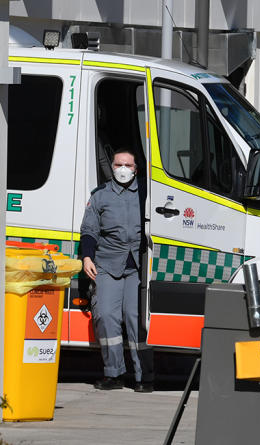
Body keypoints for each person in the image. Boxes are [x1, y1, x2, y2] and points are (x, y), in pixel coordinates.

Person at [80, 148, 152, 392]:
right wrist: (87, 257)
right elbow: (89, 230)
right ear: (112, 167)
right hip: (108, 264)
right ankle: (114, 374)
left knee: (136, 319)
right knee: (107, 317)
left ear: (136, 169)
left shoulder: (146, 193)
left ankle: (143, 376)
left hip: (136, 268)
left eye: (128, 165)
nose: (123, 169)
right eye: (119, 165)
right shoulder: (100, 196)